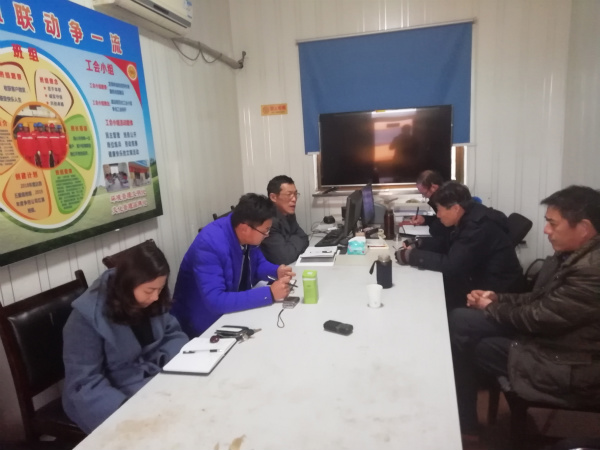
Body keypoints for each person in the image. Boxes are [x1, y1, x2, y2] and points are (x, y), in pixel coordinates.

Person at [449, 185, 600, 436]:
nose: (546, 230)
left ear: (584, 228)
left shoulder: (591, 271)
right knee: (461, 323)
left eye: (553, 223)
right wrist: (497, 297)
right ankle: (464, 422)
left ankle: (464, 423)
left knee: (466, 336)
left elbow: (539, 317)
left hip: (570, 363)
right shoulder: (572, 255)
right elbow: (538, 298)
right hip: (553, 340)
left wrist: (491, 306)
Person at [62, 243, 188, 433]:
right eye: (149, 291)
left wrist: (165, 361)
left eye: (160, 289)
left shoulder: (152, 297)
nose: (156, 297)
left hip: (152, 380)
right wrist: (127, 411)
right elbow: (84, 383)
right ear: (129, 283)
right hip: (112, 395)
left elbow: (172, 333)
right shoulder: (85, 318)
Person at [172, 193, 295, 337]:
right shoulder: (209, 244)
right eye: (265, 231)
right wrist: (269, 294)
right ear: (245, 228)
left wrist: (276, 271)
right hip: (203, 324)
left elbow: (257, 264)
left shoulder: (245, 231)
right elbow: (216, 300)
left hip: (230, 311)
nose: (267, 235)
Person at [395, 181, 523, 310]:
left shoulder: (477, 228)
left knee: (431, 296)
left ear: (455, 208)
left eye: (439, 209)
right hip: (480, 276)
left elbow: (451, 265)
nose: (438, 215)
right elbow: (452, 244)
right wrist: (421, 243)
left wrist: (412, 256)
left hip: (496, 292)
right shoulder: (471, 213)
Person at [260, 175, 309, 265]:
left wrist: (289, 241)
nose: (294, 199)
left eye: (295, 194)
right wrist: (292, 239)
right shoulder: (268, 220)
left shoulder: (288, 212)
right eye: (289, 194)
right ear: (273, 197)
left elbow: (304, 237)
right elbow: (285, 258)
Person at [409, 170, 450, 238]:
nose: (425, 197)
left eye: (425, 193)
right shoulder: (438, 198)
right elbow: (438, 218)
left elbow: (441, 226)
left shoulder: (448, 200)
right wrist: (424, 219)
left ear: (434, 187)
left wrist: (420, 241)